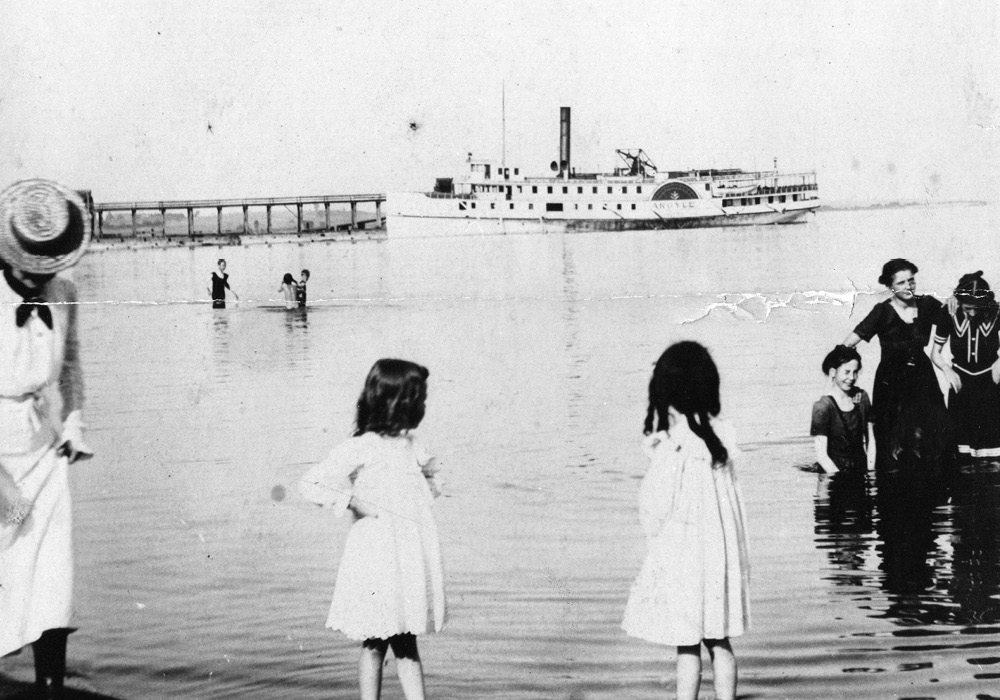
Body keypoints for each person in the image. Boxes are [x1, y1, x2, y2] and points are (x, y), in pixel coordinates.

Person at [299, 359, 444, 700]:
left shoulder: (414, 446)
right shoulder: (363, 446)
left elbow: (433, 478)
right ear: (396, 402)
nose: (422, 405)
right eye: (418, 398)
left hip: (406, 555)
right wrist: (353, 501)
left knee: (407, 638)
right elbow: (312, 482)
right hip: (377, 555)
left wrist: (424, 488)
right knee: (375, 639)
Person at [0, 179, 94, 699]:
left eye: (47, 270)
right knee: (4, 560)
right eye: (29, 272)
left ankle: (51, 690)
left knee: (53, 575)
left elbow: (73, 365)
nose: (39, 281)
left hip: (43, 450)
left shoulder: (65, 293)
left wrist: (74, 428)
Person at [622, 341, 750, 700]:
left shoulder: (674, 446)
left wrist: (653, 458)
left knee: (687, 645)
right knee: (719, 641)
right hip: (719, 562)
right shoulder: (722, 437)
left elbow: (653, 510)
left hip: (686, 563)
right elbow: (733, 506)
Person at [841, 258, 944, 455]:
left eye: (911, 281)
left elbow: (954, 319)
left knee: (933, 434)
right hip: (891, 381)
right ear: (890, 286)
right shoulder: (882, 312)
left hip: (923, 377)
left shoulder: (928, 305)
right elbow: (848, 344)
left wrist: (957, 300)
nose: (909, 286)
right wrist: (849, 379)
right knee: (890, 439)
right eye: (901, 282)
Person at [931, 271, 1000, 458]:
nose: (972, 312)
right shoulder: (949, 312)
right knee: (961, 454)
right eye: (968, 307)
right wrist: (946, 369)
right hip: (961, 385)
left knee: (993, 453)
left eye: (977, 307)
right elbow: (935, 353)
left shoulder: (996, 311)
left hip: (990, 385)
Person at [811, 345, 876, 474]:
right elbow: (821, 455)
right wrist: (840, 479)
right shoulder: (822, 406)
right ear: (832, 373)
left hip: (860, 467)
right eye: (846, 372)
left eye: (855, 372)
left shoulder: (862, 398)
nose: (852, 378)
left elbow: (871, 441)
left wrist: (871, 473)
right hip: (832, 471)